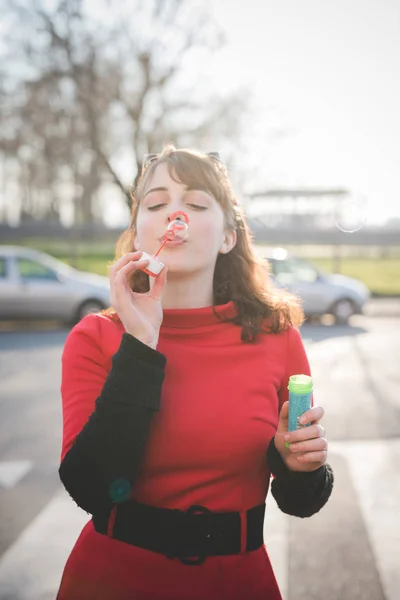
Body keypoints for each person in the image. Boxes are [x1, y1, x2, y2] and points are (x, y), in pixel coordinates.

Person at [57, 147, 333, 600]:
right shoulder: (96, 338)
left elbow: (302, 502)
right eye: (157, 203)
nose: (175, 215)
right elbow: (91, 487)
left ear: (228, 237)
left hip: (238, 585)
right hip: (111, 582)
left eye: (197, 203)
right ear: (138, 231)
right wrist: (141, 343)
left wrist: (300, 466)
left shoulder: (276, 337)